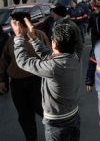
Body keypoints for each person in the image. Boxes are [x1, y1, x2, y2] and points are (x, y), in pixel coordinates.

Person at [11, 18, 81, 141]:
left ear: (54, 43)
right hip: (73, 116)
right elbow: (50, 55)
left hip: (57, 124)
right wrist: (34, 39)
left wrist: (18, 37)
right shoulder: (74, 57)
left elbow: (23, 61)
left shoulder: (53, 67)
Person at [0, 12, 50, 141]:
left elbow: (49, 57)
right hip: (17, 84)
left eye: (12, 23)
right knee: (24, 115)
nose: (11, 26)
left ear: (19, 24)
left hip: (37, 81)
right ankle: (31, 138)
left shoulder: (39, 36)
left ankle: (56, 134)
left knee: (44, 111)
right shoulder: (11, 40)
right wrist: (2, 80)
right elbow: (4, 61)